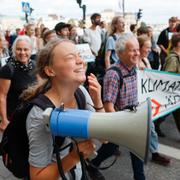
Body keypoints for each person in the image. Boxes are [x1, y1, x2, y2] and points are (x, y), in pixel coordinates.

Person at [21, 38, 105, 179]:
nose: (80, 61)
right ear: (50, 70)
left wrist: (98, 102)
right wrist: (74, 157)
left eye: (79, 55)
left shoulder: (81, 93)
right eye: (71, 57)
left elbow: (104, 137)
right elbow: (37, 176)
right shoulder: (40, 114)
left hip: (77, 173)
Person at [137, 34, 171, 166]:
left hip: (146, 100)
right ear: (139, 48)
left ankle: (154, 153)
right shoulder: (134, 63)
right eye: (147, 47)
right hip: (137, 102)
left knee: (150, 129)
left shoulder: (145, 60)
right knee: (148, 129)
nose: (150, 50)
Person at [0, 35, 37, 131]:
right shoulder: (8, 69)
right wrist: (4, 120)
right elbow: (2, 96)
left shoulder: (34, 65)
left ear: (31, 50)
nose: (22, 53)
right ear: (14, 50)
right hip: (15, 116)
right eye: (19, 49)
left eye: (26, 49)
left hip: (33, 115)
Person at [155, 33, 180, 135]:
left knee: (168, 112)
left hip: (175, 92)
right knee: (167, 111)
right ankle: (154, 124)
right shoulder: (173, 59)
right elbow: (168, 76)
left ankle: (155, 124)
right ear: (178, 44)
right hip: (173, 92)